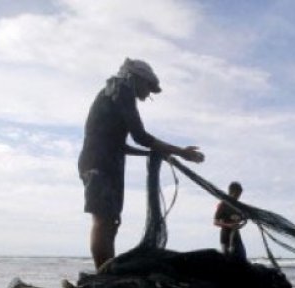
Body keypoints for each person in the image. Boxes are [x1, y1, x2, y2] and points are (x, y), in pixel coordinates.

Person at [78, 58, 204, 269]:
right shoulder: (122, 89)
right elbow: (141, 136)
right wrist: (180, 152)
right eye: (148, 87)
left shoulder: (115, 93)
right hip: (98, 166)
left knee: (111, 222)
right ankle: (103, 275)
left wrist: (154, 154)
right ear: (136, 78)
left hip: (106, 163)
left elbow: (121, 145)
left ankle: (105, 270)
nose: (147, 95)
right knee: (104, 221)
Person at [214, 182, 247, 261]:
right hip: (225, 236)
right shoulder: (223, 204)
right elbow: (215, 222)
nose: (238, 197)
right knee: (228, 261)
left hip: (236, 236)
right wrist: (229, 225)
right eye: (237, 194)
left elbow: (244, 219)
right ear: (232, 192)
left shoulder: (238, 206)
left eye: (239, 195)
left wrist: (242, 223)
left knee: (242, 258)